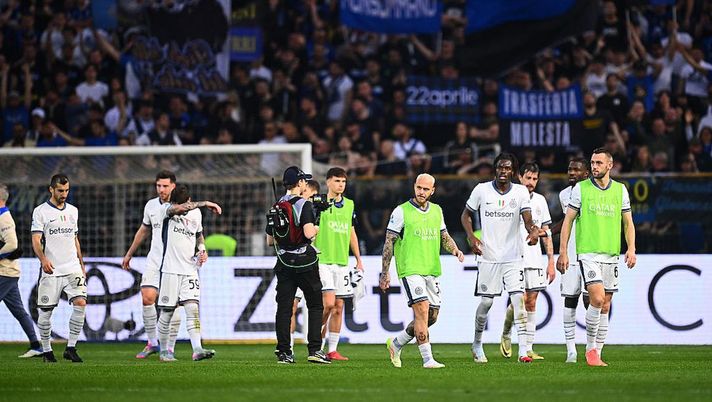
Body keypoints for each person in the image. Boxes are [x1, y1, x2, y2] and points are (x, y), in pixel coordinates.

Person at [460, 153, 542, 364]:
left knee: (518, 300)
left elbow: (527, 219)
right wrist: (471, 237)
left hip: (513, 257)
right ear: (495, 169)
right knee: (486, 302)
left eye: (507, 168)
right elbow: (465, 215)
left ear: (513, 171)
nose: (503, 171)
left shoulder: (520, 192)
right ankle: (477, 344)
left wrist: (533, 231)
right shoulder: (481, 190)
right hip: (488, 256)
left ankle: (523, 351)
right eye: (500, 167)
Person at [557, 148, 636, 367]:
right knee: (598, 299)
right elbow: (567, 221)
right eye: (592, 163)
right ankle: (590, 349)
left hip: (611, 254)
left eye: (598, 163)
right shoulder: (581, 189)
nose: (594, 167)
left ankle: (597, 353)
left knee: (605, 306)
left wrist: (631, 248)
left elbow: (628, 222)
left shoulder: (620, 190)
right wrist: (563, 251)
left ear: (610, 165)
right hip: (588, 253)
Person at [381, 174, 465, 369]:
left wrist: (455, 249)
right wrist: (385, 272)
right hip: (410, 269)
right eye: (419, 187)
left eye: (426, 189)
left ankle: (397, 343)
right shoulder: (401, 211)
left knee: (431, 316)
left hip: (431, 269)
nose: (421, 192)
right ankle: (428, 359)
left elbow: (444, 236)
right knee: (422, 309)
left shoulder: (436, 210)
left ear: (432, 191)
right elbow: (389, 241)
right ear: (414, 187)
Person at [122, 171, 194, 359]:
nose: (161, 189)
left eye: (165, 186)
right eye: (158, 186)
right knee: (147, 297)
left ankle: (169, 348)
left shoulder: (182, 207)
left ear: (173, 186)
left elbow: (193, 233)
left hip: (174, 263)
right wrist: (129, 253)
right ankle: (152, 343)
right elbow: (143, 230)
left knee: (173, 306)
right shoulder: (151, 205)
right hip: (154, 260)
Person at [268, 166, 329, 364]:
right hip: (305, 262)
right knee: (315, 305)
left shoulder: (277, 205)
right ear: (300, 183)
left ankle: (284, 352)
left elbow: (270, 241)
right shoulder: (304, 205)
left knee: (284, 308)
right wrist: (317, 223)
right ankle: (315, 350)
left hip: (284, 262)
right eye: (304, 181)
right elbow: (309, 233)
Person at [156, 184, 222, 362]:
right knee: (167, 313)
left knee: (192, 309)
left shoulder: (196, 213)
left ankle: (197, 349)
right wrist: (206, 203)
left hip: (190, 269)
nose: (185, 208)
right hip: (170, 270)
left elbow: (198, 234)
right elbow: (179, 208)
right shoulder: (166, 210)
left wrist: (202, 249)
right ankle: (164, 351)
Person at [499, 163, 554, 360]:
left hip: (535, 259)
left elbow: (546, 232)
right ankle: (507, 333)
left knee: (531, 302)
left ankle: (529, 347)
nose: (531, 182)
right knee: (519, 300)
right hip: (514, 258)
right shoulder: (509, 198)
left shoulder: (540, 201)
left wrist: (550, 260)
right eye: (528, 178)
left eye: (534, 179)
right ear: (520, 177)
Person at [31, 174, 87, 363]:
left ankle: (71, 348)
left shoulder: (73, 211)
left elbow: (74, 239)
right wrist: (43, 259)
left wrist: (81, 264)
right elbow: (36, 240)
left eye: (66, 190)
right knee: (45, 312)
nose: (64, 194)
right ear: (51, 190)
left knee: (81, 303)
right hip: (52, 269)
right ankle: (47, 351)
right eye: (60, 191)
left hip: (72, 268)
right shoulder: (40, 212)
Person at [314, 167, 364, 361]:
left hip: (342, 262)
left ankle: (332, 350)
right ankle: (316, 343)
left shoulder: (349, 204)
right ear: (328, 182)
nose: (341, 185)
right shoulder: (318, 203)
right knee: (327, 304)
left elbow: (351, 232)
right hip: (323, 261)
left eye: (343, 181)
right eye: (337, 181)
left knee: (339, 306)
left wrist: (358, 258)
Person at [550, 157, 591, 363]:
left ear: (586, 174)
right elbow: (567, 221)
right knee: (570, 299)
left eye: (576, 170)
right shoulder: (564, 194)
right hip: (570, 255)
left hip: (590, 254)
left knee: (591, 301)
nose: (572, 173)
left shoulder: (593, 192)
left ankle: (592, 348)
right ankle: (571, 350)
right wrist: (548, 232)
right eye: (569, 169)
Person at [0, 183, 42, 358]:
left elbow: (12, 244)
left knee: (19, 311)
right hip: (8, 272)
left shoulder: (4, 218)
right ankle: (36, 346)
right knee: (19, 311)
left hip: (5, 272)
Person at [290, 179, 320, 350]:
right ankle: (291, 347)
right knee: (294, 306)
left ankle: (317, 346)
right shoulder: (299, 207)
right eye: (311, 195)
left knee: (320, 305)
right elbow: (310, 235)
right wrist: (315, 229)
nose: (312, 199)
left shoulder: (313, 210)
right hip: (300, 262)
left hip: (303, 261)